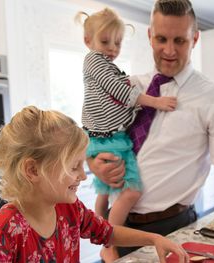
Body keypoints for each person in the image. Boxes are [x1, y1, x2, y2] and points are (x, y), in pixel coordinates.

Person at [87, 0, 214, 257]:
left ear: (194, 38)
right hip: (114, 227)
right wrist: (94, 163)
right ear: (150, 36)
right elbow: (95, 130)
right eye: (161, 38)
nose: (169, 50)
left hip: (171, 228)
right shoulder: (129, 85)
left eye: (179, 41)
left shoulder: (212, 97)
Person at [0, 106, 189, 263]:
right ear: (33, 170)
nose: (83, 176)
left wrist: (154, 239)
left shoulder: (69, 210)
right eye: (74, 167)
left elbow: (107, 233)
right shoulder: (2, 234)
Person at [76, 8, 177, 262]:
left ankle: (101, 236)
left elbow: (118, 101)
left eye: (118, 43)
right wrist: (155, 102)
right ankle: (109, 240)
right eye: (105, 42)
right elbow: (121, 93)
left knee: (103, 192)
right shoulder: (96, 63)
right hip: (110, 139)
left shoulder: (107, 66)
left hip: (104, 136)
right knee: (131, 191)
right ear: (88, 41)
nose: (112, 48)